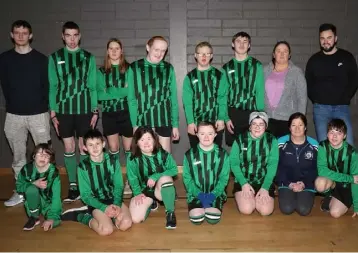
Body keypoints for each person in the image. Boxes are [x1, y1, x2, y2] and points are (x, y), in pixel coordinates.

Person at [0, 20, 51, 207]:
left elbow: (47, 87)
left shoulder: (41, 60)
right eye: (17, 32)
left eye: (24, 33)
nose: (21, 36)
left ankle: (45, 190)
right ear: (12, 35)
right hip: (14, 115)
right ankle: (21, 190)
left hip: (39, 114)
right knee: (18, 157)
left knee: (44, 154)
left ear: (30, 35)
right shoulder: (4, 59)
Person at [48, 21, 98, 203]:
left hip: (84, 110)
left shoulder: (88, 57)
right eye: (68, 35)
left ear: (80, 36)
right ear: (63, 36)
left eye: (75, 35)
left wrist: (95, 111)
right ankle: (73, 185)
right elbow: (52, 87)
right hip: (63, 111)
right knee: (69, 148)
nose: (72, 39)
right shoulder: (54, 58)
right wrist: (53, 113)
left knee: (85, 147)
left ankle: (86, 182)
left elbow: (93, 87)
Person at [61, 129, 132, 235]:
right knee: (106, 230)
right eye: (90, 145)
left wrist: (116, 204)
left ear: (103, 144)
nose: (94, 148)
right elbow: (85, 195)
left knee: (125, 224)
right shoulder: (83, 167)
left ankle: (109, 217)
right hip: (96, 202)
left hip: (113, 199)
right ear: (84, 148)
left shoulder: (113, 161)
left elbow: (119, 185)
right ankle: (82, 216)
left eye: (97, 143)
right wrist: (104, 208)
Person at [305, 23, 358, 146]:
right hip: (320, 110)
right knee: (324, 146)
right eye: (322, 38)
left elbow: (354, 79)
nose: (326, 41)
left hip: (342, 108)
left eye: (329, 38)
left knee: (348, 144)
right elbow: (308, 83)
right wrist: (317, 99)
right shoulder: (314, 60)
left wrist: (345, 97)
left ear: (335, 38)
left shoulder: (346, 57)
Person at [127, 36, 179, 153]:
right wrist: (135, 124)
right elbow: (131, 99)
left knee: (165, 158)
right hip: (142, 121)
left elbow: (173, 99)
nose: (160, 53)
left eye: (163, 50)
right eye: (156, 49)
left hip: (163, 120)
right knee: (145, 159)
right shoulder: (135, 68)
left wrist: (175, 124)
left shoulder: (168, 68)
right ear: (148, 47)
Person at [97, 38, 132, 195]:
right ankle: (116, 180)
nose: (114, 51)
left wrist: (109, 91)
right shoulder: (101, 72)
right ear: (107, 51)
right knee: (113, 148)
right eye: (111, 48)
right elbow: (98, 95)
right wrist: (121, 91)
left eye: (117, 48)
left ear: (121, 50)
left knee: (129, 149)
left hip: (127, 113)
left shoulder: (129, 69)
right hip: (109, 114)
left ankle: (130, 181)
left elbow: (132, 92)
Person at [127, 126, 178, 229]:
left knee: (165, 179)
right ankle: (151, 202)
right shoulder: (132, 158)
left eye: (149, 139)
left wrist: (156, 176)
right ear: (137, 142)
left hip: (160, 187)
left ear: (155, 140)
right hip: (143, 190)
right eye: (142, 139)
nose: (146, 142)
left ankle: (170, 213)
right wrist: (137, 193)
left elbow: (174, 170)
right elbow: (132, 178)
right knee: (136, 219)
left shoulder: (163, 154)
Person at [230, 111, 278, 215]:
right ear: (250, 126)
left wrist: (265, 187)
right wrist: (244, 184)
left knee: (265, 211)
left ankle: (258, 196)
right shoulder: (240, 139)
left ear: (266, 127)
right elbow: (234, 164)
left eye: (261, 124)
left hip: (263, 180)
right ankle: (247, 197)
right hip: (244, 180)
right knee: (247, 209)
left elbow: (273, 165)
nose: (257, 127)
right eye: (254, 124)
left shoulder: (272, 140)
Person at [221, 31, 265, 146]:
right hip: (233, 114)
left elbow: (260, 92)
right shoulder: (226, 68)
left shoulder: (257, 66)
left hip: (251, 113)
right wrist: (225, 118)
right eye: (238, 41)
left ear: (249, 45)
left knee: (251, 147)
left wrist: (260, 116)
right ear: (233, 44)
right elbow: (223, 95)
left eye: (245, 41)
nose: (241, 44)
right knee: (235, 148)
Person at [182, 121, 230, 225]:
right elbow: (187, 178)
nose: (206, 137)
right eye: (202, 134)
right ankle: (198, 203)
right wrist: (199, 195)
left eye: (210, 133)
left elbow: (224, 178)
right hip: (196, 195)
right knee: (197, 219)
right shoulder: (189, 155)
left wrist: (213, 195)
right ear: (197, 134)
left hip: (216, 194)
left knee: (212, 218)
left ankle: (214, 202)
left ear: (215, 135)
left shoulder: (223, 154)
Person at [182, 42, 226, 148]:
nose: (204, 56)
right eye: (201, 53)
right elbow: (187, 103)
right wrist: (190, 122)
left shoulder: (219, 76)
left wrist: (221, 118)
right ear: (195, 55)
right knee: (196, 154)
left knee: (215, 154)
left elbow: (222, 98)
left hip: (215, 122)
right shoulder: (190, 77)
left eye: (207, 53)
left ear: (211, 56)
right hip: (196, 123)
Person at [276, 113, 318, 216]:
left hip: (306, 183)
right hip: (286, 183)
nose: (297, 128)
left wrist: (304, 184)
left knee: (303, 210)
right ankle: (289, 195)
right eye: (293, 125)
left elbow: (315, 169)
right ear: (289, 128)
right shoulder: (280, 143)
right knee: (287, 209)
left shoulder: (314, 144)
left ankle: (305, 196)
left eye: (300, 125)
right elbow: (277, 167)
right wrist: (289, 183)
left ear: (305, 127)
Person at [314, 119, 358, 218]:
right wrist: (349, 178)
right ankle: (329, 196)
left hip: (346, 187)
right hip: (333, 181)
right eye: (331, 132)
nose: (334, 136)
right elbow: (322, 170)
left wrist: (357, 206)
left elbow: (356, 180)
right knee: (320, 183)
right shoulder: (323, 146)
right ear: (327, 134)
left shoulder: (352, 153)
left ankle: (337, 201)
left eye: (339, 133)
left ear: (345, 136)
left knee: (335, 214)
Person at [264, 41, 307, 138]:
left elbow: (302, 98)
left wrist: (299, 121)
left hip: (287, 120)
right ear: (274, 54)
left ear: (289, 55)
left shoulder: (296, 72)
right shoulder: (264, 71)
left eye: (285, 51)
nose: (282, 54)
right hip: (267, 119)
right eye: (278, 51)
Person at [16, 143, 61, 231]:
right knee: (31, 189)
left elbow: (56, 196)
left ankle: (51, 217)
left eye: (47, 155)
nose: (43, 157)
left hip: (49, 203)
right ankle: (34, 217)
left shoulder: (53, 172)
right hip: (32, 203)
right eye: (40, 154)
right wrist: (33, 183)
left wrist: (52, 217)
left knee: (55, 221)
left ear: (50, 160)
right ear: (34, 156)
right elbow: (19, 187)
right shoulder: (27, 169)